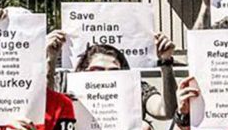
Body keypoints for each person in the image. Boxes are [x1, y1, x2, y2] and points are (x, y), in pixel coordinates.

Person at [46, 27, 178, 122]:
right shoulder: (65, 83)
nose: (105, 76)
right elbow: (45, 106)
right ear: (83, 70)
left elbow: (166, 111)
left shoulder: (134, 88)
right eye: (97, 70)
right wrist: (49, 60)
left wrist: (166, 63)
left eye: (114, 71)